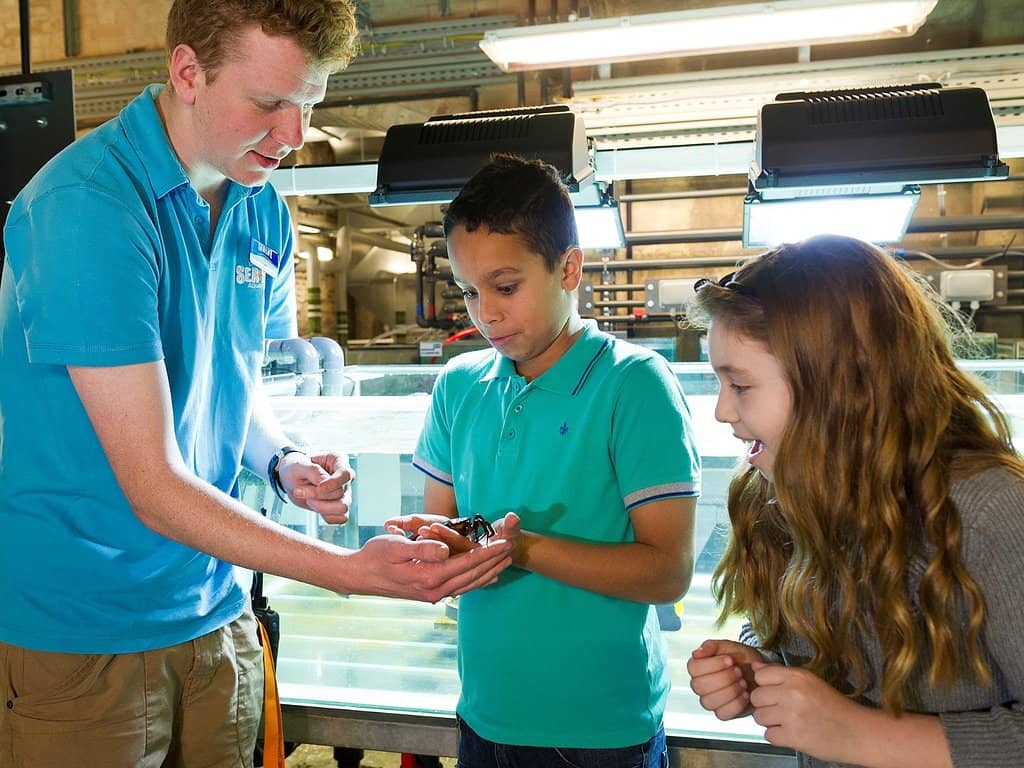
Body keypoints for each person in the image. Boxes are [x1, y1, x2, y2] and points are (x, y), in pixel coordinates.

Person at [0, 2, 511, 766]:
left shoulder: (262, 209)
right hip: (87, 635)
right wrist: (344, 570)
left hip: (217, 613)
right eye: (270, 103)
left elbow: (226, 388)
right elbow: (150, 481)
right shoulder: (89, 208)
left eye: (309, 105)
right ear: (187, 73)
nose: (294, 135)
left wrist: (279, 460)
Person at [386, 154, 701, 768]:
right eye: (470, 292)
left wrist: (520, 548)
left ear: (569, 268)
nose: (487, 313)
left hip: (600, 730)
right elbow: (454, 530)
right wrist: (430, 545)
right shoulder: (458, 385)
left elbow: (667, 572)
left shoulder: (632, 384)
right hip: (485, 711)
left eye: (506, 287)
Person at [686, 234, 1024, 768]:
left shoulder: (989, 512)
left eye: (741, 385)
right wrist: (761, 667)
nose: (722, 411)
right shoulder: (773, 496)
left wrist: (859, 733)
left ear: (840, 389)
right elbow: (789, 632)